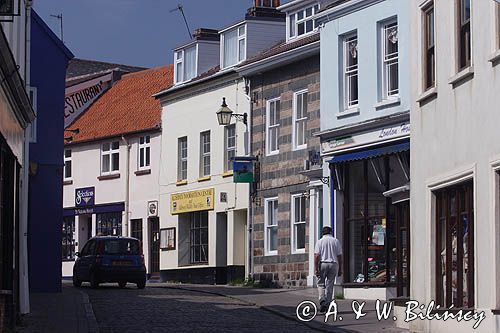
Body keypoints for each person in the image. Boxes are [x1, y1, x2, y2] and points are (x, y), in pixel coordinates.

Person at [314, 226, 343, 313]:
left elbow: (317, 256)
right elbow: (339, 256)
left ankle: (322, 300)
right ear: (330, 232)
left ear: (322, 233)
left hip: (323, 263)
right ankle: (327, 303)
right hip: (333, 264)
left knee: (320, 283)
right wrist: (340, 268)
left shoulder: (319, 242)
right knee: (330, 284)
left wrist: (316, 269)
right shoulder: (335, 241)